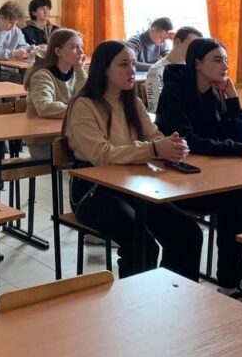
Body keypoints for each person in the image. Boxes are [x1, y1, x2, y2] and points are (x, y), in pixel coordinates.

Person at [154, 38, 242, 305]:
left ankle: (238, 280)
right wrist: (240, 150)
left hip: (210, 176)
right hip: (177, 183)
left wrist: (232, 99)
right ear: (197, 63)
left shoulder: (215, 92)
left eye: (226, 60)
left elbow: (236, 136)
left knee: (237, 195)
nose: (225, 66)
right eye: (217, 60)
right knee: (237, 197)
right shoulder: (174, 92)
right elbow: (188, 142)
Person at [62, 41, 203, 280]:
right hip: (93, 189)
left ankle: (174, 293)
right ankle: (135, 301)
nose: (132, 70)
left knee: (188, 232)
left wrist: (171, 145)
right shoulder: (83, 105)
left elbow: (153, 136)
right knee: (143, 243)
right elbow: (102, 155)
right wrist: (154, 149)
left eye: (133, 64)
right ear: (104, 69)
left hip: (132, 183)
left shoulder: (132, 102)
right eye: (123, 64)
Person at [23, 29, 87, 160]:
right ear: (58, 51)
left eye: (81, 47)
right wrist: (79, 110)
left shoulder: (76, 73)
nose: (81, 52)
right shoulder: (42, 75)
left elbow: (87, 99)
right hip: (45, 141)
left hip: (68, 136)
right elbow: (45, 107)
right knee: (90, 157)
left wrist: (80, 70)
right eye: (74, 47)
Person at [145, 26, 204, 113]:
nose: (194, 51)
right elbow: (155, 108)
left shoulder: (194, 68)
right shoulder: (156, 70)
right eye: (191, 46)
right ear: (177, 42)